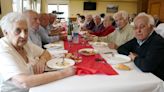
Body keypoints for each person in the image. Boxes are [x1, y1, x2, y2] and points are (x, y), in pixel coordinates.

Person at [0, 12, 75, 92]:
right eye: (17, 31)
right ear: (6, 33)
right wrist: (64, 73)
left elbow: (45, 53)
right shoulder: (3, 49)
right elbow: (23, 82)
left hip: (35, 87)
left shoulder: (25, 44)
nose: (24, 35)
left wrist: (41, 60)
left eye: (26, 30)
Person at [117, 13, 164, 80]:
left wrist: (135, 58)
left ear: (151, 27)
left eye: (142, 27)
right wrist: (132, 55)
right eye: (135, 28)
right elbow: (121, 48)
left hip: (156, 80)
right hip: (141, 74)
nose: (138, 31)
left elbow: (146, 66)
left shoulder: (157, 41)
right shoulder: (138, 39)